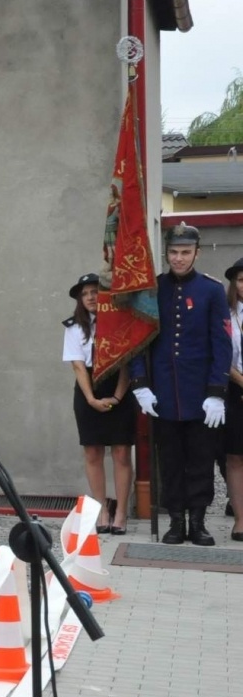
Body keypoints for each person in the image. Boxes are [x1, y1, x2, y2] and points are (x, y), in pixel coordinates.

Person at [131, 222, 228, 546]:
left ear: (197, 253)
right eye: (173, 252)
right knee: (170, 461)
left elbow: (221, 343)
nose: (179, 258)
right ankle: (175, 521)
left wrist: (216, 391)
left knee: (201, 460)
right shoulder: (153, 289)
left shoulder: (212, 290)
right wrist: (140, 384)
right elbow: (138, 342)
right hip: (164, 394)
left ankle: (198, 522)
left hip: (200, 394)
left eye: (186, 252)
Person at [62, 274, 134, 534]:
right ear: (80, 300)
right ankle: (102, 509)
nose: (92, 297)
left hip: (120, 389)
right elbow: (78, 366)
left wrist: (117, 396)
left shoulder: (120, 323)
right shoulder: (74, 326)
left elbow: (127, 362)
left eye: (96, 291)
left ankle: (121, 513)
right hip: (88, 390)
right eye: (86, 293)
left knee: (121, 453)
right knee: (93, 452)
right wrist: (91, 398)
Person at [223, 259, 243, 542]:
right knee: (236, 456)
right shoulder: (226, 313)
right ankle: (240, 519)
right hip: (235, 388)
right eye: (240, 279)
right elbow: (221, 355)